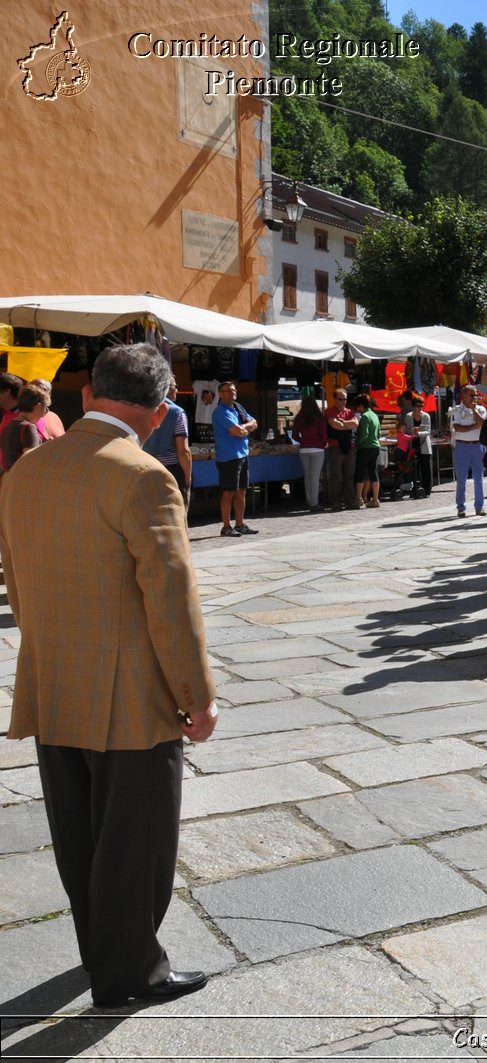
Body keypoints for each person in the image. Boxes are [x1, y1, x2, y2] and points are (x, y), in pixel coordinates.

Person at [0, 342, 217, 1009]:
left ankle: (103, 951)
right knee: (137, 836)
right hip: (130, 690)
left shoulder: (27, 469)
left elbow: (15, 575)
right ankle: (130, 973)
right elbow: (171, 599)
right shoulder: (143, 474)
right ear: (159, 411)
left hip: (53, 677)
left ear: (90, 395)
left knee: (80, 834)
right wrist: (197, 696)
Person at [212, 381, 257, 537]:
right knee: (228, 492)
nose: (232, 393)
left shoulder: (238, 408)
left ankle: (240, 524)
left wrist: (243, 429)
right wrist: (243, 429)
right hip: (228, 456)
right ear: (221, 394)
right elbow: (236, 431)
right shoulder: (220, 411)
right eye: (228, 391)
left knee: (242, 491)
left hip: (242, 454)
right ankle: (226, 526)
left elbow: (254, 423)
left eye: (233, 390)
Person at [451, 384, 487, 517]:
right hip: (462, 446)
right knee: (461, 478)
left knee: (479, 478)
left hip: (478, 446)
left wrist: (474, 411)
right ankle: (461, 507)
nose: (475, 397)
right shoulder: (456, 409)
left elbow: (483, 424)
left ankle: (479, 507)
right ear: (464, 395)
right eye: (472, 395)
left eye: (476, 394)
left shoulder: (481, 409)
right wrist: (474, 426)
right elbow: (458, 428)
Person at [289, 393, 328, 511]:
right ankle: (314, 503)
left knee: (307, 476)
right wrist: (323, 443)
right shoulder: (319, 417)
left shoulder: (299, 418)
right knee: (315, 477)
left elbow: (294, 435)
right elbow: (323, 434)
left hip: (304, 449)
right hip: (317, 448)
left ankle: (309, 500)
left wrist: (303, 440)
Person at [0, 386, 49, 474]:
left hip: (9, 479)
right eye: (45, 409)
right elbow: (32, 460)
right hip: (24, 479)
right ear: (38, 407)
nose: (44, 414)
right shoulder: (29, 427)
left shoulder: (8, 426)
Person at [324, 388, 359, 512]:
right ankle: (335, 501)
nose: (343, 402)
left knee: (349, 475)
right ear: (335, 399)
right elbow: (335, 425)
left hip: (349, 447)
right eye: (340, 399)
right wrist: (344, 424)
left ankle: (350, 500)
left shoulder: (350, 412)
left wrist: (343, 422)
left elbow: (355, 424)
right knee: (335, 475)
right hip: (335, 447)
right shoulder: (329, 411)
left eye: (345, 399)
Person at [351, 393, 382, 509]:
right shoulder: (374, 415)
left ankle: (358, 498)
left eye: (357, 407)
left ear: (360, 406)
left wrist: (358, 443)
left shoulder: (364, 417)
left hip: (365, 448)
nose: (357, 410)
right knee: (373, 473)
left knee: (360, 472)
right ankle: (375, 499)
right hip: (375, 447)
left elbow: (364, 434)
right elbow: (378, 433)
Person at [401, 392, 433, 498]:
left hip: (423, 445)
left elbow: (428, 431)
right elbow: (406, 431)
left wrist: (418, 433)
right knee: (413, 470)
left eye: (422, 405)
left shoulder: (426, 416)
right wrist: (412, 431)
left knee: (426, 469)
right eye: (418, 405)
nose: (420, 408)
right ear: (413, 406)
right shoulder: (408, 416)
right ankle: (415, 490)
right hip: (413, 445)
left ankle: (427, 490)